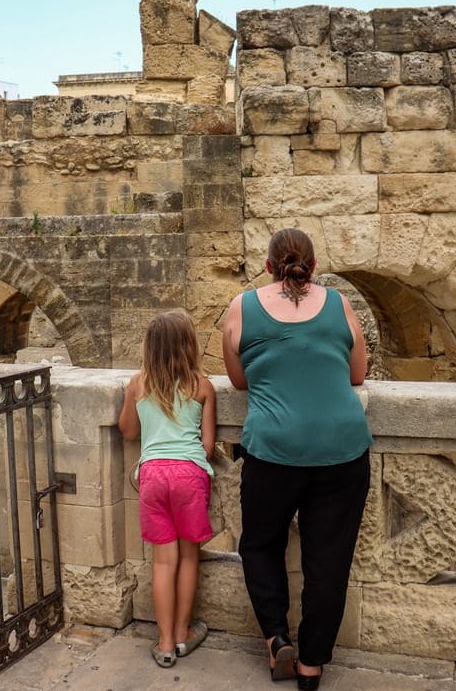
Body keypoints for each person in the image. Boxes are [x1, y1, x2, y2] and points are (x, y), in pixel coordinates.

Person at [221, 228, 372, 691]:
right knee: (328, 559)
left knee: (260, 545)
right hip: (342, 450)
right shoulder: (339, 304)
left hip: (273, 452)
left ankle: (276, 638)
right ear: (314, 264)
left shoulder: (240, 307)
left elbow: (239, 380)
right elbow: (359, 373)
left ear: (268, 266)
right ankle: (311, 665)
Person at [118, 309, 217, 668]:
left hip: (153, 476)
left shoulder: (137, 384)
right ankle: (182, 635)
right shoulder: (201, 386)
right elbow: (207, 445)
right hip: (190, 474)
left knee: (163, 561)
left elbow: (128, 430)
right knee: (189, 557)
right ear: (189, 345)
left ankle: (162, 644)